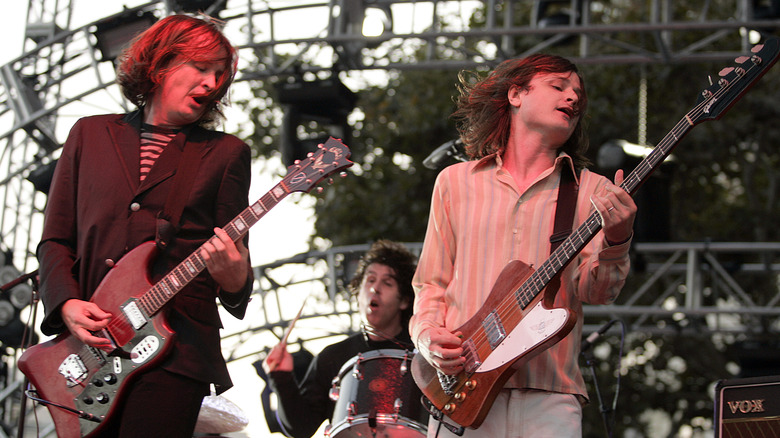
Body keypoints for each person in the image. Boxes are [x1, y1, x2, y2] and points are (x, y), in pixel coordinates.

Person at [35, 14, 253, 437]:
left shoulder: (225, 154)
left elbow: (237, 267)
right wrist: (65, 303)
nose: (211, 84)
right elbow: (56, 239)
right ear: (159, 64)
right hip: (91, 346)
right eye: (201, 68)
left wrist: (234, 277)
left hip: (176, 351)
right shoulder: (88, 135)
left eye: (219, 75)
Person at [411, 54, 637, 437]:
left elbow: (597, 292)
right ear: (516, 94)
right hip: (461, 388)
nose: (573, 98)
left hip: (549, 397)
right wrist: (428, 336)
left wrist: (619, 238)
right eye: (559, 86)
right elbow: (431, 283)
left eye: (578, 93)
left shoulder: (592, 191)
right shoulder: (455, 182)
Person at [263, 240, 419, 438]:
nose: (375, 288)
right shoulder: (333, 357)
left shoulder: (423, 350)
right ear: (358, 291)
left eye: (387, 283)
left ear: (405, 300)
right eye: (370, 280)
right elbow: (301, 429)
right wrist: (281, 377)